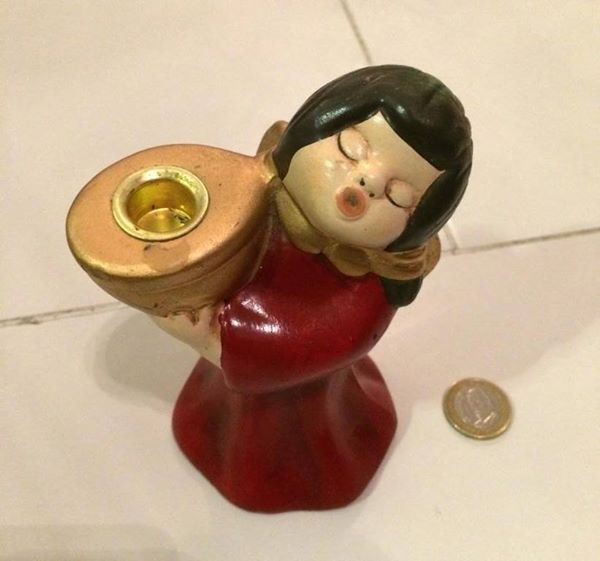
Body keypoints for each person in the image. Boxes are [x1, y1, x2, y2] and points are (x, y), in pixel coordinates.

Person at [164, 65, 472, 512]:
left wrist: (210, 335)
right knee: (228, 417)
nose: (366, 182)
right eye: (351, 148)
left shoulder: (369, 280)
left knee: (284, 440)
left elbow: (322, 342)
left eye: (399, 195)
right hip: (232, 377)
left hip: (298, 395)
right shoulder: (257, 197)